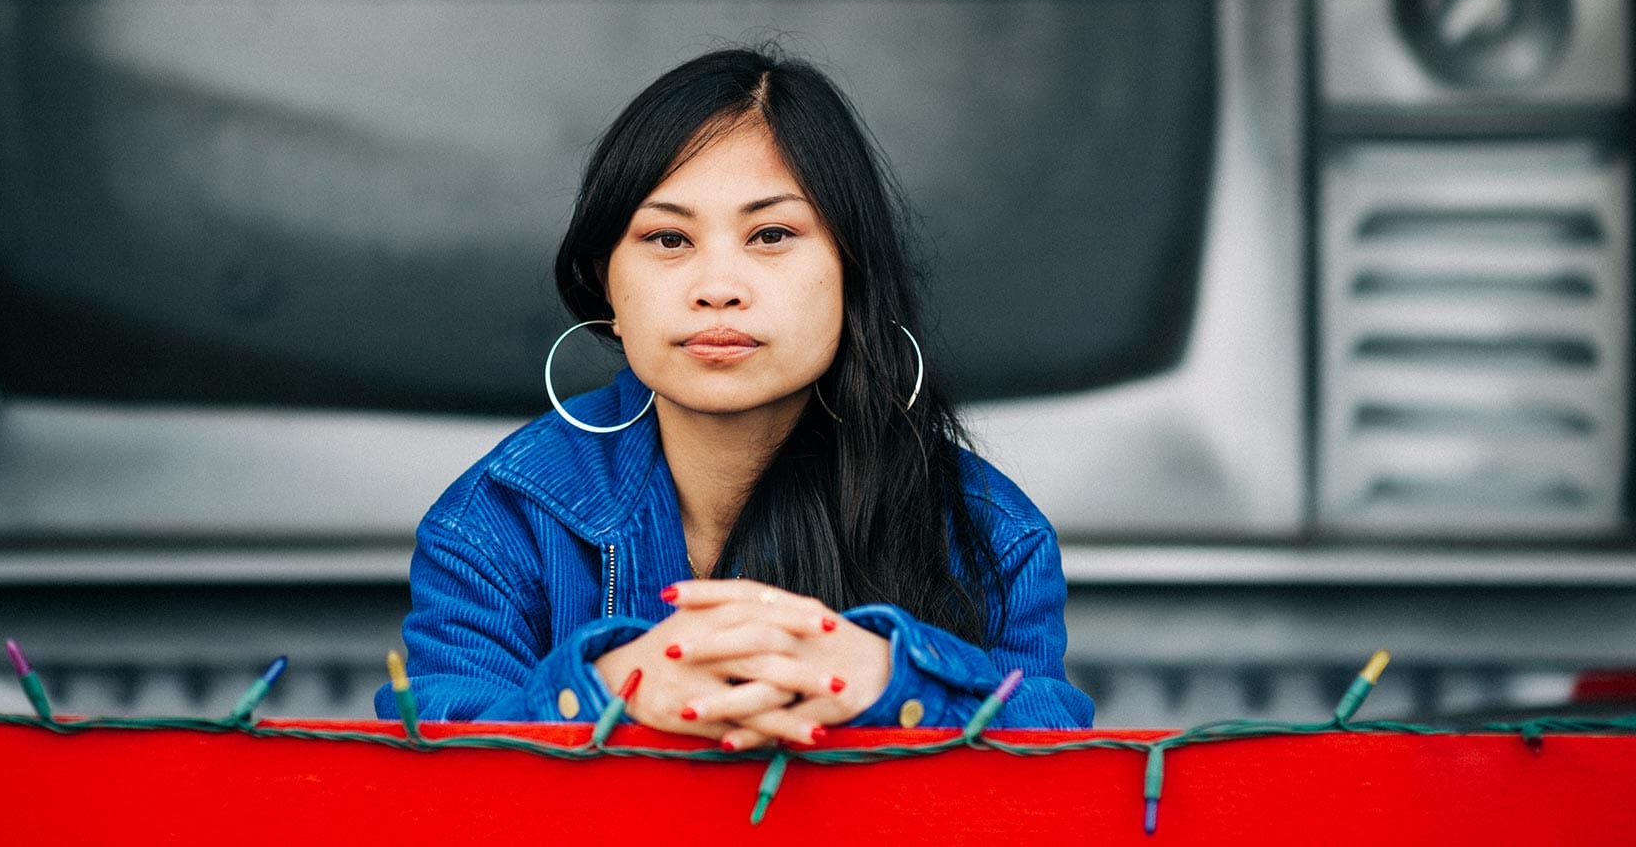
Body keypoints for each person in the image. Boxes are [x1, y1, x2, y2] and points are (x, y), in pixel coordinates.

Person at [373, 45, 1096, 743]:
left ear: (852, 274)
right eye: (668, 239)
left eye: (771, 234)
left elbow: (1056, 770)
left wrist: (894, 683)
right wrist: (606, 689)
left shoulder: (989, 531)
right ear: (606, 285)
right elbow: (432, 773)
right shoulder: (499, 519)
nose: (717, 288)